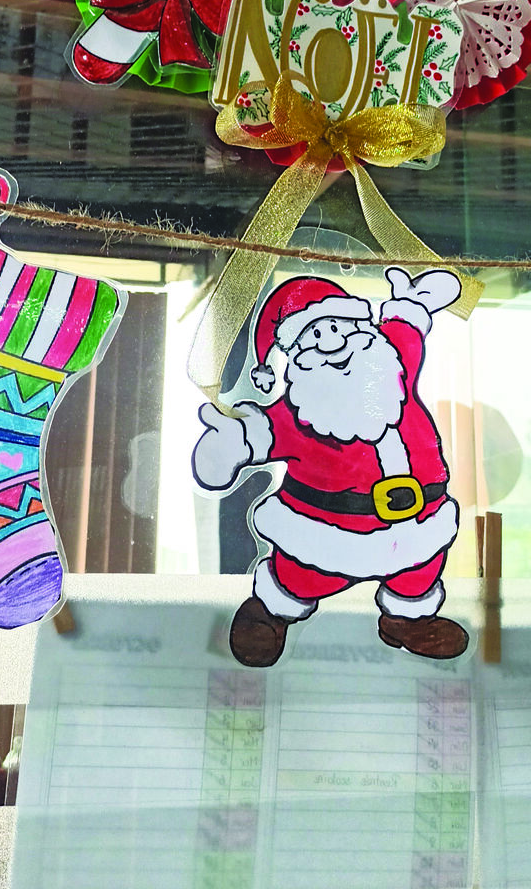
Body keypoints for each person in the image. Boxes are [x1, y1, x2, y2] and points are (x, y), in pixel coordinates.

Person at [193, 268, 469, 666]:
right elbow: (263, 433)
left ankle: (408, 620)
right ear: (295, 358)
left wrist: (413, 302)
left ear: (359, 327)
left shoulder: (392, 363)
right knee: (299, 577)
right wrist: (231, 444)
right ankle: (272, 613)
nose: (331, 342)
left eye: (337, 327)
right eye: (313, 336)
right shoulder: (298, 415)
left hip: (419, 525)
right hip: (329, 533)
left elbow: (405, 326)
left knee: (417, 574)